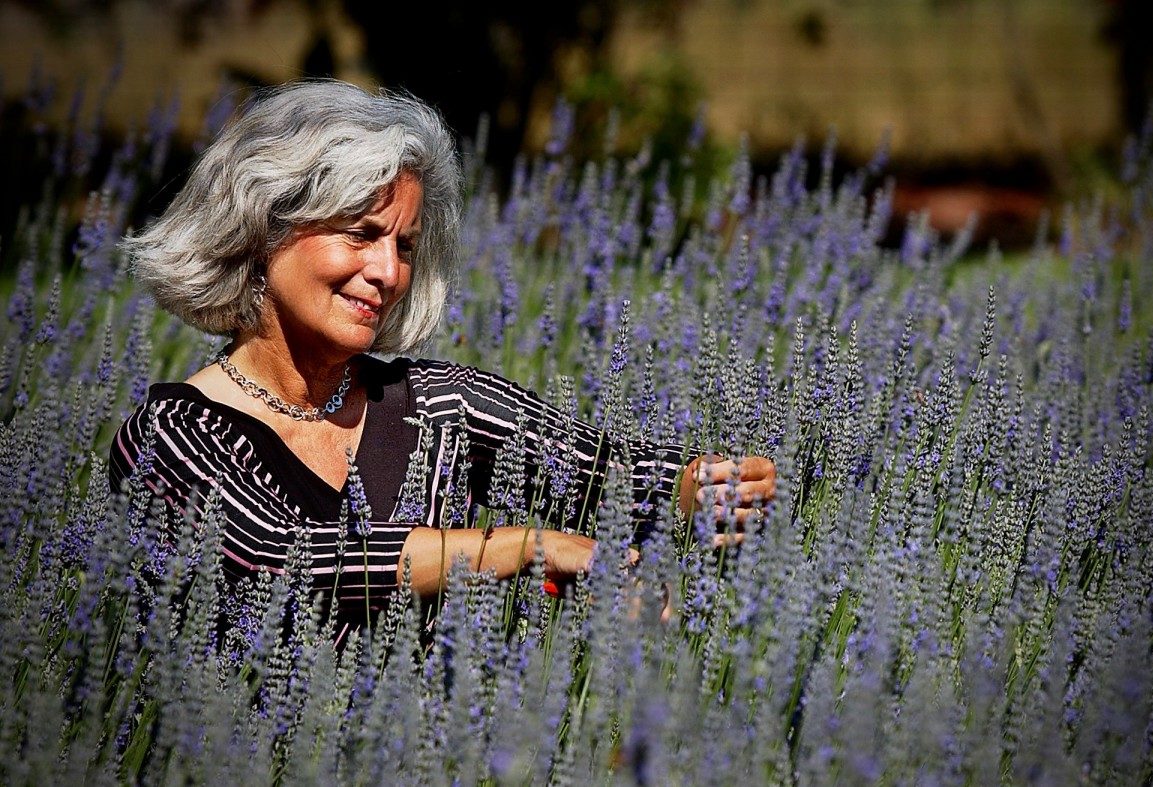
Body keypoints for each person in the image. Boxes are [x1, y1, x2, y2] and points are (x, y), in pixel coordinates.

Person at [108, 80, 776, 643]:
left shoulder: (439, 407)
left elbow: (612, 476)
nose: (388, 271)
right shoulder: (171, 436)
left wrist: (708, 485)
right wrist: (515, 550)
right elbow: (285, 558)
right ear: (263, 231)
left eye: (405, 246)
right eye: (363, 235)